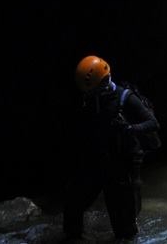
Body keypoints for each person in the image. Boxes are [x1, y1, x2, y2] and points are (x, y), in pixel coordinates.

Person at [64, 55, 159, 241]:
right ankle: (73, 238)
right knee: (73, 203)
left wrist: (130, 129)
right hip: (100, 160)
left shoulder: (126, 98)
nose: (88, 94)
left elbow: (153, 123)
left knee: (124, 226)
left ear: (103, 82)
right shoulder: (91, 99)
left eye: (91, 90)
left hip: (123, 164)